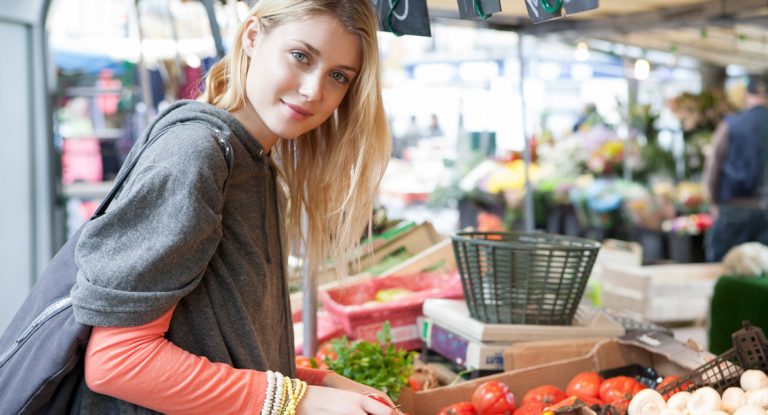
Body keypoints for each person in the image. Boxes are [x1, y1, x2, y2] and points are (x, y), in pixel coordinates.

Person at [68, 1, 396, 414]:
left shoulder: (256, 165)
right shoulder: (195, 154)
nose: (314, 90)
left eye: (338, 76)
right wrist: (298, 399)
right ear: (254, 37)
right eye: (300, 56)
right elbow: (118, 361)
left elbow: (219, 349)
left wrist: (322, 382)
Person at [704, 75, 768, 262]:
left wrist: (713, 202)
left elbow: (713, 167)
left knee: (723, 269)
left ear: (747, 96)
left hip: (734, 207)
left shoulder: (730, 125)